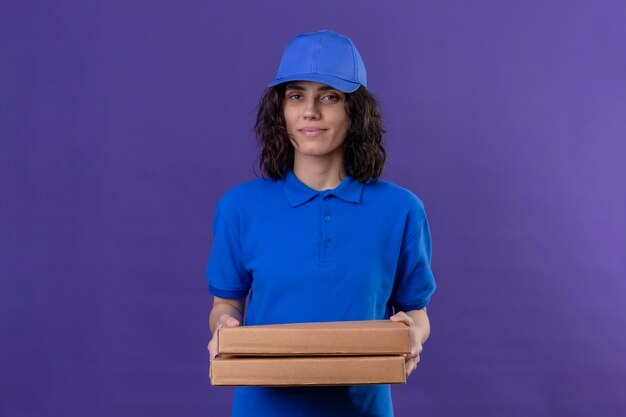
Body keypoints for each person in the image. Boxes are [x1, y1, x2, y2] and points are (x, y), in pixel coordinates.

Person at [206, 30, 436, 417]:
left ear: (354, 110)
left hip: (361, 409)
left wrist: (412, 331)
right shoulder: (239, 207)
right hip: (263, 408)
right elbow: (225, 302)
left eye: (329, 96)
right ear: (281, 109)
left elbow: (416, 311)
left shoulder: (401, 210)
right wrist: (224, 326)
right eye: (296, 96)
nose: (310, 111)